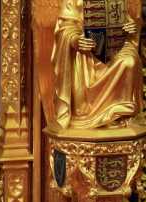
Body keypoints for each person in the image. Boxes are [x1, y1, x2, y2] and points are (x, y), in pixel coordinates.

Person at [52, 0, 142, 129]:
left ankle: (120, 113)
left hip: (114, 46)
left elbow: (124, 20)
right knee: (80, 56)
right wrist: (76, 40)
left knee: (129, 61)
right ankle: (87, 114)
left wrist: (131, 28)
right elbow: (65, 29)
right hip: (86, 52)